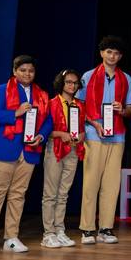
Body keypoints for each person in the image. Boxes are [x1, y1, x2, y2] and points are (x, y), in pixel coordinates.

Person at [0, 55, 51, 255]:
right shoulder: (2, 90)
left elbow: (48, 121)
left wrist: (41, 136)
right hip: (4, 149)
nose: (27, 74)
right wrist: (14, 113)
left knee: (18, 194)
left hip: (29, 150)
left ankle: (11, 237)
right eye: (23, 70)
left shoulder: (41, 94)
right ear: (15, 71)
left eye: (31, 71)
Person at [77, 35, 131, 245]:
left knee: (111, 184)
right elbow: (79, 106)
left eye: (116, 53)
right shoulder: (88, 76)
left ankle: (106, 228)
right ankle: (87, 228)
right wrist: (94, 123)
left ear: (120, 56)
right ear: (102, 53)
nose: (112, 56)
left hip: (117, 135)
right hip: (94, 134)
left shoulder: (126, 78)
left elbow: (130, 109)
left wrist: (123, 110)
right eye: (109, 51)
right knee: (91, 182)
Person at [40, 69, 85, 249]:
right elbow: (43, 129)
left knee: (63, 193)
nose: (72, 85)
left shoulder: (79, 105)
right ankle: (48, 233)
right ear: (61, 83)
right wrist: (60, 134)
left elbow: (83, 127)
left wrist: (81, 135)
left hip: (73, 150)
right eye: (68, 82)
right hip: (55, 149)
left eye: (74, 83)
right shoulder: (51, 103)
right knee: (50, 193)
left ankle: (59, 230)